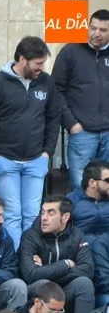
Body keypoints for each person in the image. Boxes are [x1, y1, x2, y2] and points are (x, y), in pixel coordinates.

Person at [0, 37, 60, 247]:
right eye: (37, 63)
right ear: (22, 59)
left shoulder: (47, 82)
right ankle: (14, 260)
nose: (41, 68)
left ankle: (28, 258)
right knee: (12, 214)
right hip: (4, 161)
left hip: (35, 161)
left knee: (32, 215)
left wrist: (47, 153)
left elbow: (53, 119)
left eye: (43, 63)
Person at [52, 11, 109, 196]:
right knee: (80, 186)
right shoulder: (70, 52)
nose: (96, 34)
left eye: (103, 30)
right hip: (82, 133)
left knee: (107, 187)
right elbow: (56, 90)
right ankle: (81, 216)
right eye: (93, 28)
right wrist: (71, 123)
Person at [19, 196, 94, 313]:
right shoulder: (30, 236)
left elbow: (87, 269)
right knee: (45, 284)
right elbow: (31, 275)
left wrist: (46, 270)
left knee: (84, 283)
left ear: (65, 217)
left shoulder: (77, 235)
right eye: (43, 212)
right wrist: (66, 264)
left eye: (51, 213)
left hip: (64, 290)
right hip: (37, 292)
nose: (44, 218)